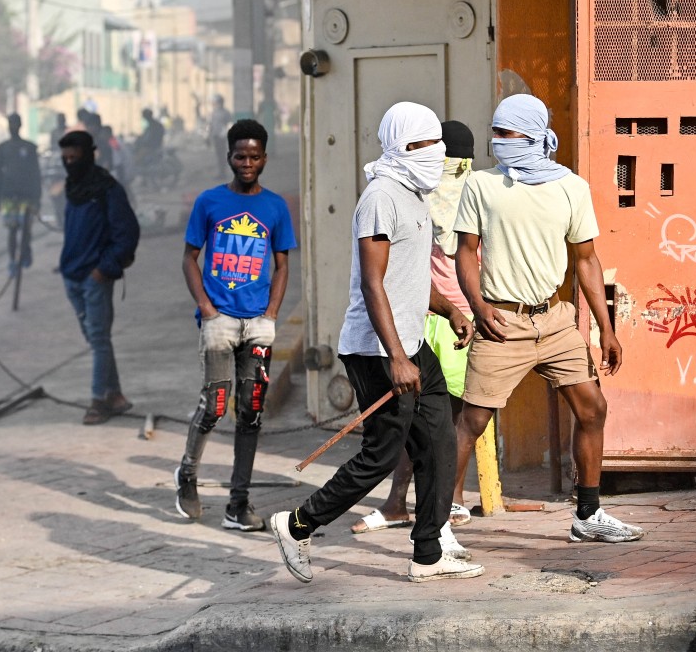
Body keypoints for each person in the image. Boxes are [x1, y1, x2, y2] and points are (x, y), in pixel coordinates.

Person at [271, 102, 485, 584]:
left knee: (440, 442)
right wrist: (396, 357)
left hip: (413, 345)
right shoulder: (380, 197)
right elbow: (374, 283)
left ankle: (428, 553)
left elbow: (409, 277)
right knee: (383, 453)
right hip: (377, 351)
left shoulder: (414, 195)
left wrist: (450, 309)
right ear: (404, 147)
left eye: (439, 145)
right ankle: (297, 524)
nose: (438, 153)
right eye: (428, 145)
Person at [451, 93, 642, 544]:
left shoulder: (570, 187)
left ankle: (588, 515)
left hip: (554, 321)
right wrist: (479, 308)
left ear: (534, 134)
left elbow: (588, 261)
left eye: (506, 132)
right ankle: (438, 524)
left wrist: (605, 328)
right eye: (494, 132)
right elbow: (466, 253)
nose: (497, 141)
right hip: (502, 322)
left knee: (592, 408)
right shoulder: (481, 185)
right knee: (472, 422)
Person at [350, 120, 477, 542]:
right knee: (413, 430)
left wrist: (460, 311)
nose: (443, 164)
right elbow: (380, 280)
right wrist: (400, 355)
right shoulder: (393, 197)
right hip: (414, 323)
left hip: (445, 316)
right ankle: (306, 522)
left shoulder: (459, 194)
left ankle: (436, 522)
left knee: (439, 424)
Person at [175, 119, 297, 532]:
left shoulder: (275, 207)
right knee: (215, 406)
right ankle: (187, 475)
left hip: (258, 325)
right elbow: (190, 258)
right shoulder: (209, 202)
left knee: (252, 414)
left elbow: (282, 266)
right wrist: (207, 310)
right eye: (240, 156)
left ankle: (237, 504)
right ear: (228, 157)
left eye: (255, 156)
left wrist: (272, 315)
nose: (248, 163)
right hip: (220, 321)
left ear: (265, 157)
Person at [58, 131, 140, 425]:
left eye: (74, 157)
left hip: (95, 277)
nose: (69, 163)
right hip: (72, 275)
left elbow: (127, 234)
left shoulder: (108, 189)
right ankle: (114, 395)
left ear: (89, 155)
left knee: (99, 339)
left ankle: (97, 402)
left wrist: (103, 269)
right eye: (65, 158)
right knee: (97, 340)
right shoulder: (72, 187)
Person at [0, 113, 41, 273]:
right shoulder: (2, 148)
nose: (12, 126)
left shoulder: (30, 147)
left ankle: (25, 252)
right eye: (10, 123)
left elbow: (36, 174)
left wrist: (37, 198)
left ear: (20, 125)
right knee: (12, 230)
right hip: (8, 196)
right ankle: (12, 261)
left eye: (15, 123)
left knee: (26, 229)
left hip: (26, 196)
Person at [208, 95, 233, 176]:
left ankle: (223, 172)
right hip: (215, 135)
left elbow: (229, 124)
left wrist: (225, 132)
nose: (215, 104)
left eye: (217, 102)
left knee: (222, 154)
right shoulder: (214, 112)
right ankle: (220, 172)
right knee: (218, 154)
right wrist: (209, 135)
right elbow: (211, 124)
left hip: (221, 136)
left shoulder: (225, 112)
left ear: (221, 103)